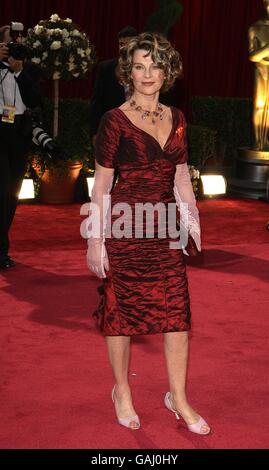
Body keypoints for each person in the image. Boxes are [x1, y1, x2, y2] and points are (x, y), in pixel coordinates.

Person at [85, 32, 211, 435]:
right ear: (129, 72)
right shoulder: (114, 120)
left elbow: (180, 176)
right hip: (124, 227)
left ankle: (179, 397)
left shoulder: (176, 117)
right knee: (121, 314)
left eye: (155, 66)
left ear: (167, 71)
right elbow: (102, 186)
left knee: (177, 314)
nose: (147, 74)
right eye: (139, 66)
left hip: (164, 228)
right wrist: (94, 240)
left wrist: (192, 221)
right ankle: (122, 391)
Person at [0, 24, 42, 269]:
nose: (12, 48)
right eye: (7, 44)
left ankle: (2, 249)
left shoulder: (27, 70)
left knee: (12, 192)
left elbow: (35, 99)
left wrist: (18, 72)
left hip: (18, 132)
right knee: (2, 191)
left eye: (16, 43)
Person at [89, 26, 138, 147]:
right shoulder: (106, 68)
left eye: (129, 44)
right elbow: (97, 102)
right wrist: (95, 132)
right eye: (121, 44)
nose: (124, 47)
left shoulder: (146, 69)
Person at [249, 0, 269, 150]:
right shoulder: (255, 28)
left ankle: (265, 140)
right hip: (260, 71)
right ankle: (258, 141)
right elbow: (253, 56)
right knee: (259, 106)